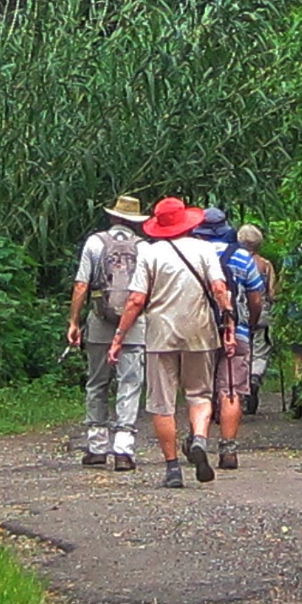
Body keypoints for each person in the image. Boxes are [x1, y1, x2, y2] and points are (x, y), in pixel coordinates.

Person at [107, 197, 234, 488]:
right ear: (186, 222)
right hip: (200, 332)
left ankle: (172, 468)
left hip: (160, 335)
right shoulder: (204, 249)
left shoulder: (149, 254)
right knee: (199, 395)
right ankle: (199, 440)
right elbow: (219, 288)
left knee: (161, 403)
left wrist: (118, 338)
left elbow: (136, 299)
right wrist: (229, 324)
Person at [66, 194, 150, 470]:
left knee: (97, 382)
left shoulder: (95, 242)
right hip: (135, 324)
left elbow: (81, 285)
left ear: (113, 217)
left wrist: (74, 322)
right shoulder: (145, 247)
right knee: (130, 383)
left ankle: (96, 445)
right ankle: (124, 449)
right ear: (135, 222)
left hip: (100, 322)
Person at [196, 208, 266, 468]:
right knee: (231, 391)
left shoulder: (195, 255)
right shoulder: (242, 257)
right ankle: (228, 450)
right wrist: (251, 323)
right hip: (236, 332)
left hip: (200, 333)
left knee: (200, 391)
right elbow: (256, 297)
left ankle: (198, 439)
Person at [237, 223, 276, 416]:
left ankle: (242, 386)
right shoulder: (266, 265)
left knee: (242, 350)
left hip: (240, 311)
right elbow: (272, 292)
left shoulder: (236, 261)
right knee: (260, 351)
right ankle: (255, 377)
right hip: (263, 312)